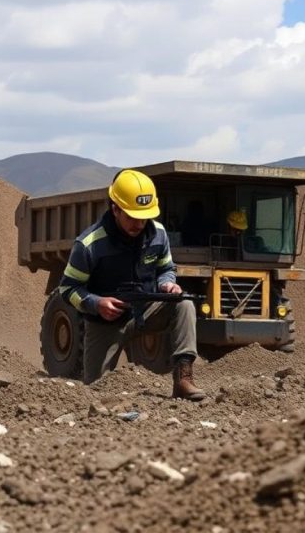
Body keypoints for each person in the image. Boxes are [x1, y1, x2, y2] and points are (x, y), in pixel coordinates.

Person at [58, 169, 206, 401]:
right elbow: (67, 289)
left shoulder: (158, 234)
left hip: (147, 310)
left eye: (144, 216)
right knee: (96, 392)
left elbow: (166, 269)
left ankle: (183, 379)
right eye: (131, 216)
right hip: (106, 322)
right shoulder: (89, 244)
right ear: (115, 209)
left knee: (183, 304)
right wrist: (97, 304)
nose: (139, 224)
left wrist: (167, 284)